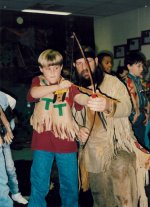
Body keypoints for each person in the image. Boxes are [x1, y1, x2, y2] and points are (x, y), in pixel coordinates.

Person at [72, 46, 150, 207]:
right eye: (79, 63)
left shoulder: (112, 82)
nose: (84, 66)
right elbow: (70, 117)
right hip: (93, 151)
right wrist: (78, 129)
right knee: (100, 196)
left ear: (95, 62)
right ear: (74, 66)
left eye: (87, 61)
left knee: (125, 194)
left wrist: (108, 104)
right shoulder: (74, 90)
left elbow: (127, 107)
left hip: (118, 144)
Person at [27, 49, 90, 207]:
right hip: (42, 140)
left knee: (70, 184)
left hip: (66, 140)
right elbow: (34, 93)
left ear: (61, 67)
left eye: (56, 68)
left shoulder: (69, 86)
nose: (53, 72)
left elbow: (79, 97)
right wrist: (57, 87)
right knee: (39, 182)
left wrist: (89, 100)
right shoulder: (38, 81)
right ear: (41, 69)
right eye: (48, 68)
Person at [0, 91, 28, 205]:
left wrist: (6, 127)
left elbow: (6, 116)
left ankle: (15, 193)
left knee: (10, 167)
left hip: (4, 135)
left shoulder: (4, 98)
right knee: (2, 175)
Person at [124, 52, 149, 149]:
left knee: (142, 144)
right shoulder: (126, 82)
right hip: (133, 120)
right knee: (136, 149)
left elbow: (143, 99)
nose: (142, 69)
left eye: (142, 66)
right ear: (129, 66)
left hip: (141, 119)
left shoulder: (138, 81)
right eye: (139, 66)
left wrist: (146, 113)